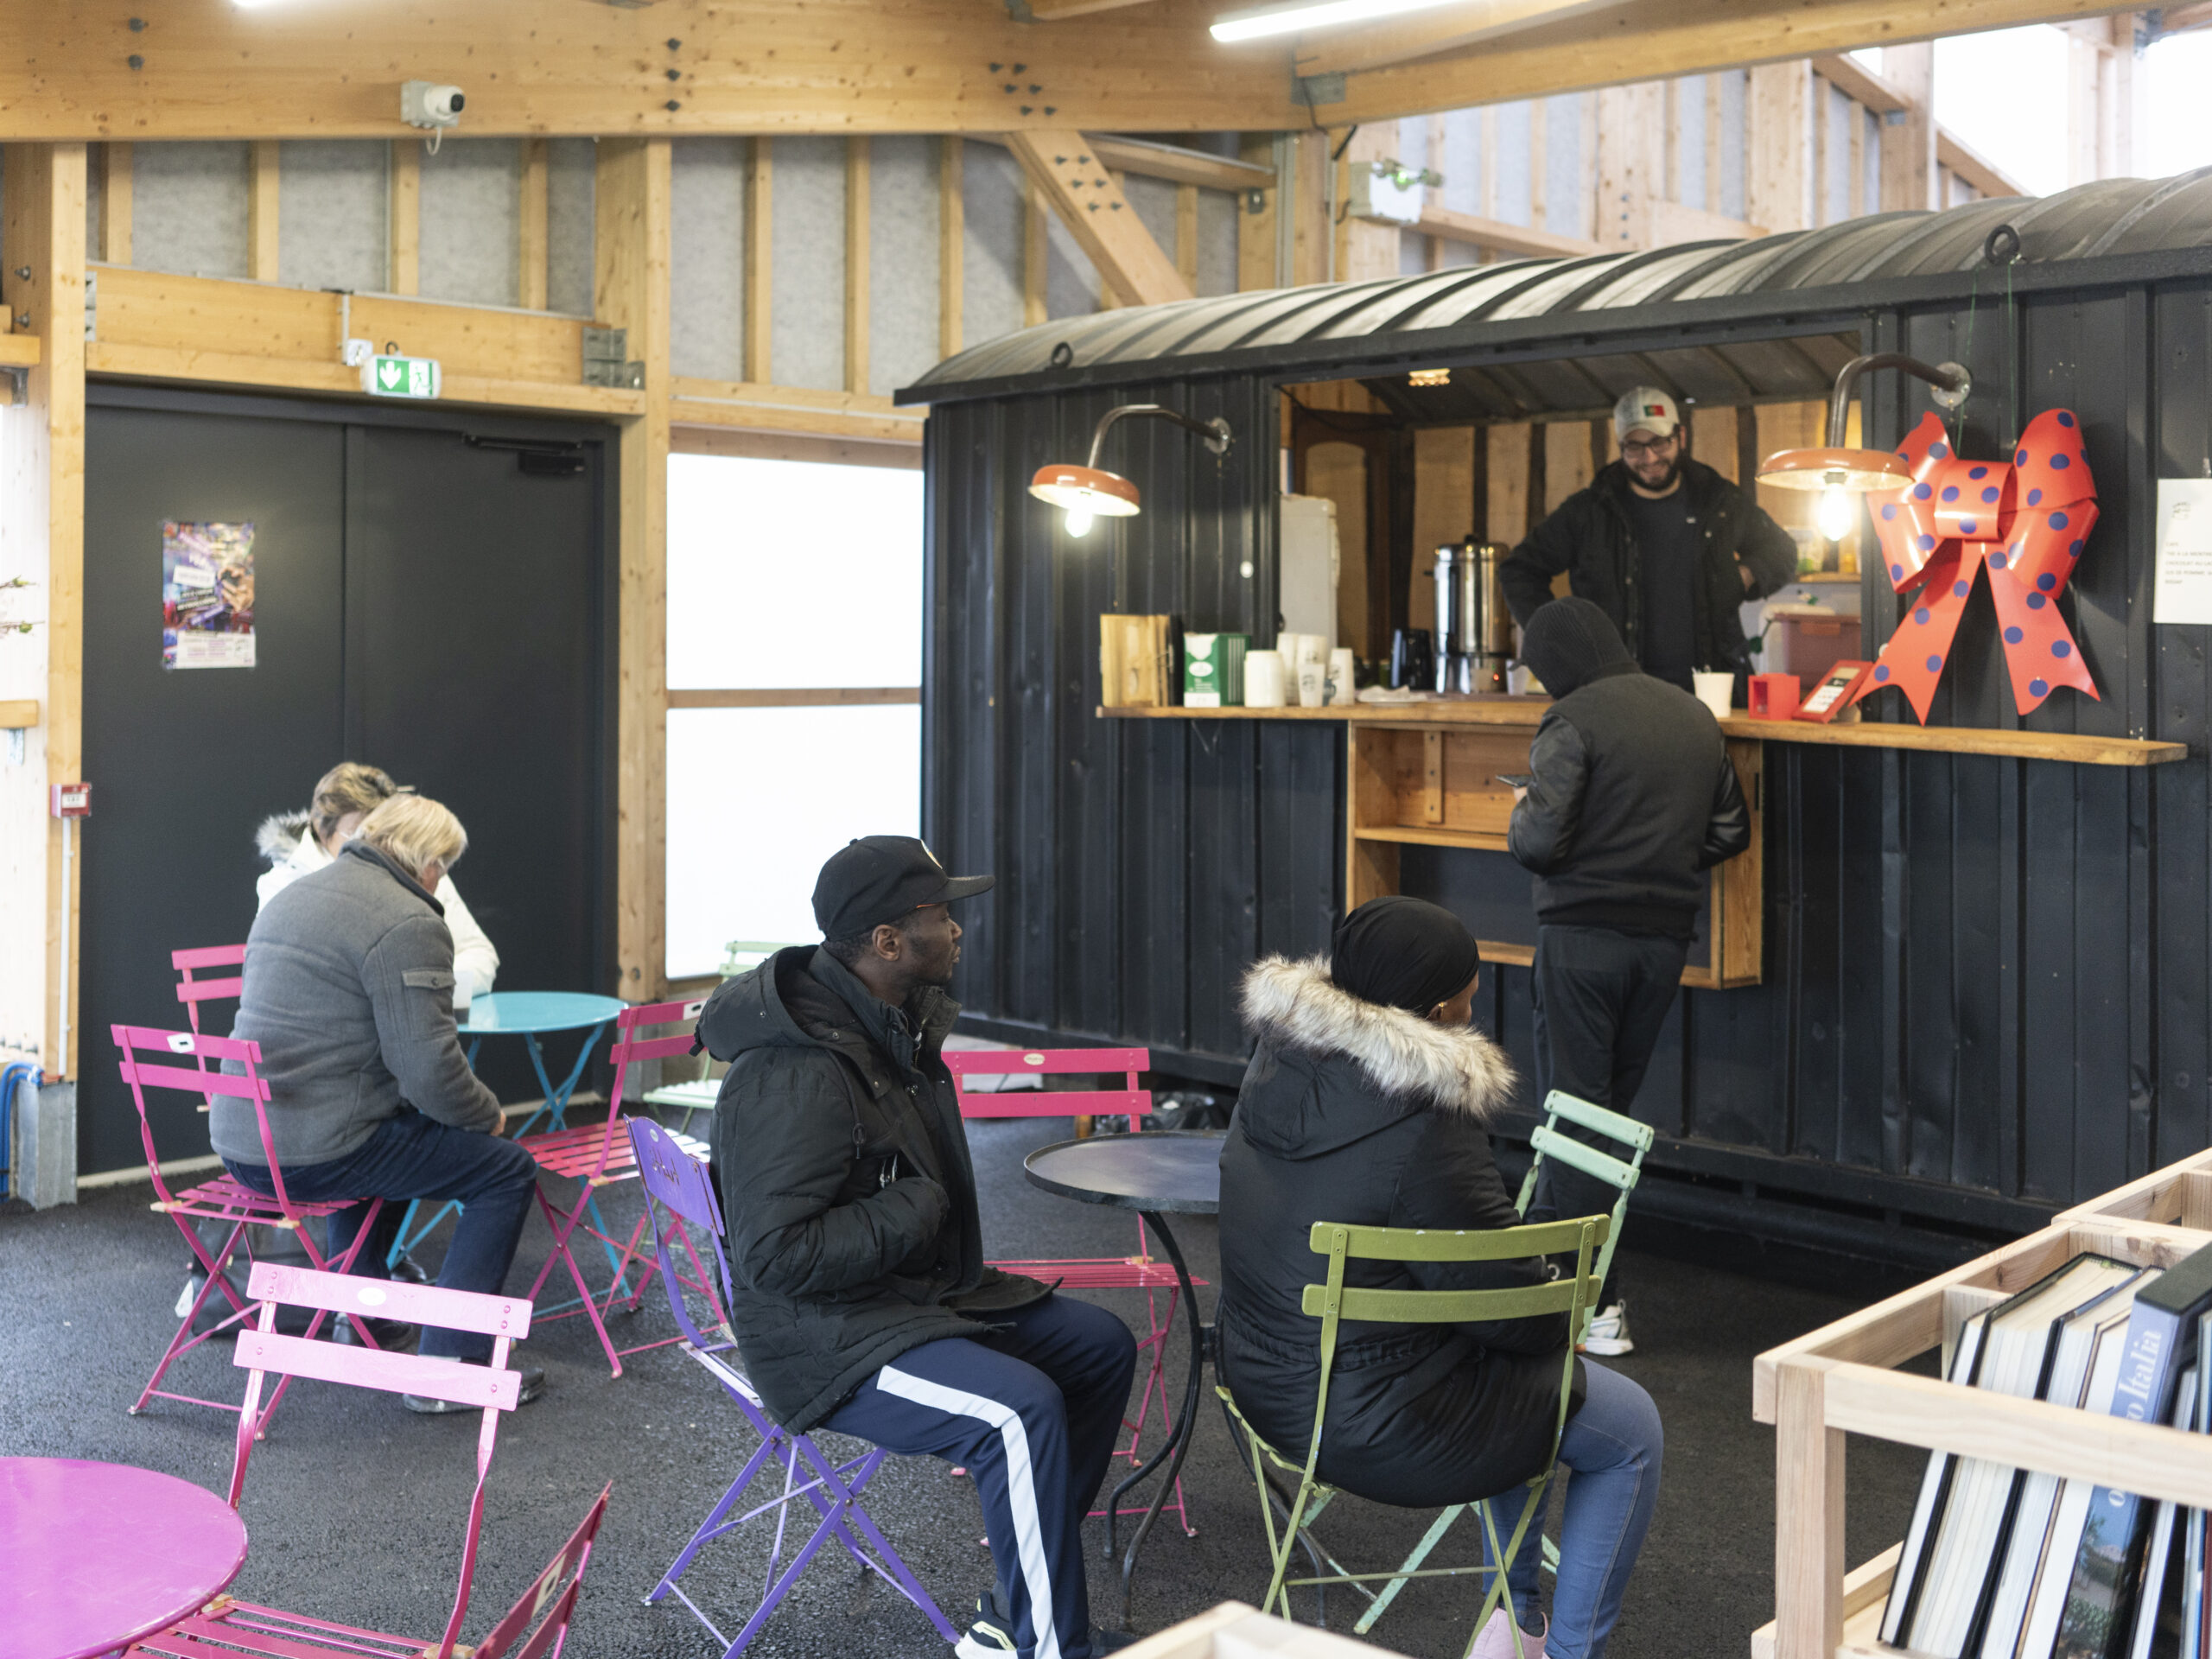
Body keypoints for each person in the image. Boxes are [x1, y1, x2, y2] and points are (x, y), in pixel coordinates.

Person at [696, 836, 1140, 1659]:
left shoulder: (889, 1028)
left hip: (907, 1298)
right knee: (1016, 1410)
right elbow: (773, 1257)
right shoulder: (797, 1069)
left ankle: (1017, 1614)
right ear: (888, 942)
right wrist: (910, 1210)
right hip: (826, 1335)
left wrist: (911, 1222)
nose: (958, 929)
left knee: (1100, 1347)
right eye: (942, 915)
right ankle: (1051, 1649)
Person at [1217, 897, 1663, 1659]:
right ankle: (1560, 1651)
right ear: (1433, 1009)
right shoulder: (1425, 1113)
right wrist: (1560, 1314)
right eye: (1469, 988)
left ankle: (1515, 1620)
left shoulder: (1279, 1060)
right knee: (1628, 1431)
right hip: (1369, 1419)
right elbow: (1513, 1310)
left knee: (1517, 1377)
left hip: (1264, 1382)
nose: (1476, 1002)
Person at [217, 794, 544, 1412]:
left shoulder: (294, 893)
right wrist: (488, 1116)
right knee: (504, 1170)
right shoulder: (408, 920)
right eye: (443, 866)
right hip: (318, 1149)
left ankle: (363, 1318)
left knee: (400, 1137)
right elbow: (429, 1069)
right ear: (425, 860)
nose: (442, 879)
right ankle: (451, 1369)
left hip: (245, 1142)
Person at [1507, 598, 1751, 1355]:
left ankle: (1583, 1304)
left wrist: (1519, 808)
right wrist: (1660, 862)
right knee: (1605, 1117)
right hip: (1663, 944)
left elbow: (1540, 842)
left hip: (1581, 940)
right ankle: (1576, 1286)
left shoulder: (1571, 721)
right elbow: (1731, 829)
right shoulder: (1690, 715)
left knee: (1577, 1119)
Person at [1500, 385, 1797, 695]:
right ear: (1620, 447)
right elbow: (1518, 570)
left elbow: (1782, 551)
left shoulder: (1718, 500)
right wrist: (1558, 638)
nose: (1650, 457)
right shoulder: (1589, 511)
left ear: (1680, 437)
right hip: (1616, 693)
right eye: (1635, 447)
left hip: (1713, 691)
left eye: (1659, 442)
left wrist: (1744, 576)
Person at [257, 762, 499, 1007]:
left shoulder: (424, 874)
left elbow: (479, 956)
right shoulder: (282, 886)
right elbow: (295, 986)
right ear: (322, 828)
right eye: (358, 833)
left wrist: (423, 989)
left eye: (380, 833)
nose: (372, 843)